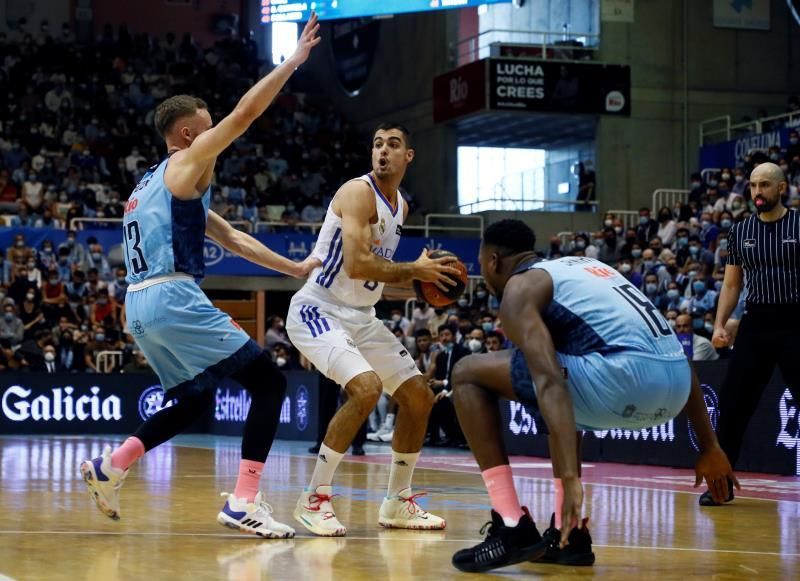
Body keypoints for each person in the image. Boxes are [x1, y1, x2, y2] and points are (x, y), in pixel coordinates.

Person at [79, 15, 322, 538]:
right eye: (207, 126)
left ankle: (111, 465)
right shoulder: (189, 161)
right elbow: (246, 113)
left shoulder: (152, 186)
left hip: (139, 304)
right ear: (189, 134)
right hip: (171, 294)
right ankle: (244, 500)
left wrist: (295, 268)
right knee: (269, 381)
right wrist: (293, 61)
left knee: (192, 399)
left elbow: (233, 239)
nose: (216, 132)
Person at [449, 219, 738, 573]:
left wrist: (571, 477)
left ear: (493, 261)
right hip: (678, 384)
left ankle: (511, 524)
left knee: (467, 372)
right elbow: (668, 352)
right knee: (566, 372)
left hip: (622, 382)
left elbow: (550, 381)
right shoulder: (588, 267)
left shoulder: (519, 288)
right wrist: (709, 446)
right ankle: (569, 535)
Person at [286, 122, 459, 537]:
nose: (383, 150)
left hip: (362, 316)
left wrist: (422, 280)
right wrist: (414, 269)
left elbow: (375, 276)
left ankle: (398, 502)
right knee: (365, 389)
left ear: (408, 157)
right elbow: (357, 263)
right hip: (318, 308)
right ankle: (314, 499)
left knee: (419, 397)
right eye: (377, 143)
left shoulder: (400, 205)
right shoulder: (356, 192)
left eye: (393, 144)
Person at [707, 162, 800, 502]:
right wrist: (720, 324)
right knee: (732, 405)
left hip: (795, 321)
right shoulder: (741, 230)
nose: (758, 192)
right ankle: (720, 486)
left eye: (764, 185)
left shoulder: (799, 225)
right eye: (753, 186)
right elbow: (732, 284)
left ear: (781, 188)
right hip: (756, 322)